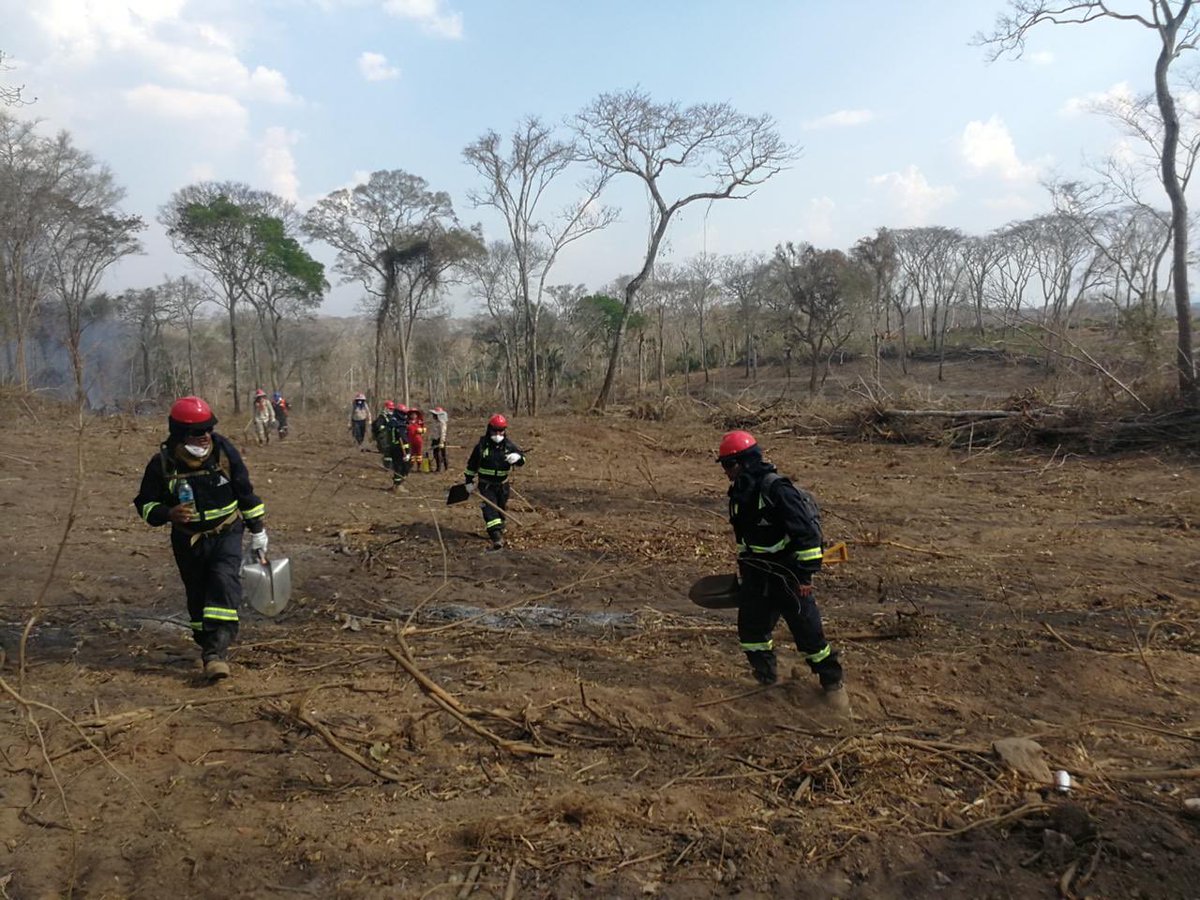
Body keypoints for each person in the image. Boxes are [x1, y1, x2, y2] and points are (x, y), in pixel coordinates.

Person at [133, 396, 268, 681]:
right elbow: (144, 504)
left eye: (208, 429)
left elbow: (245, 490)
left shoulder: (224, 452)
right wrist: (168, 513)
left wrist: (258, 530)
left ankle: (216, 653)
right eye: (197, 432)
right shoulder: (162, 464)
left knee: (223, 580)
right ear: (180, 434)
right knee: (197, 595)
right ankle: (206, 641)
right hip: (187, 541)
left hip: (227, 533)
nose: (205, 436)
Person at [716, 430, 844, 700]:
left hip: (789, 576)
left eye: (730, 464)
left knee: (809, 636)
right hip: (757, 577)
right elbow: (745, 541)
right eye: (724, 465)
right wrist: (746, 574)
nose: (726, 471)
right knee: (751, 632)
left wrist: (805, 577)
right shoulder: (740, 495)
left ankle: (833, 688)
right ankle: (766, 682)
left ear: (745, 461)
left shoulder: (777, 490)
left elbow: (808, 537)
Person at [463, 413, 524, 550]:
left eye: (501, 430)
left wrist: (518, 458)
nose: (498, 434)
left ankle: (499, 528)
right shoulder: (482, 446)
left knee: (500, 510)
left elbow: (522, 460)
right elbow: (471, 465)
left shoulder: (509, 446)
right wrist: (468, 481)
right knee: (490, 510)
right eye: (495, 430)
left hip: (503, 485)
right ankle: (496, 537)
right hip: (486, 485)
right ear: (489, 429)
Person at [428, 406, 449, 472]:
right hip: (435, 439)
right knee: (435, 454)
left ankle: (446, 467)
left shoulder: (442, 423)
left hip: (440, 440)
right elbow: (433, 431)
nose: (433, 416)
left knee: (443, 454)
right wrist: (431, 438)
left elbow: (443, 433)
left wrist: (441, 442)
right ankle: (438, 468)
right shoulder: (434, 422)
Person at [406, 407, 426, 471]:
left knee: (419, 454)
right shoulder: (407, 422)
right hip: (410, 440)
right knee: (412, 454)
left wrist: (422, 430)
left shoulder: (420, 422)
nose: (413, 416)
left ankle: (419, 467)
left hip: (418, 440)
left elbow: (424, 429)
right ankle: (411, 466)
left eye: (415, 414)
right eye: (412, 414)